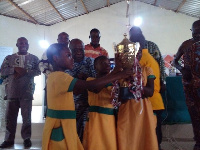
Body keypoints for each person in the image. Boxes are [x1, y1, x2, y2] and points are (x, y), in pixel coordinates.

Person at [42, 43, 133, 150]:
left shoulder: (56, 76)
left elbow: (81, 89)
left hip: (65, 124)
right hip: (60, 125)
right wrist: (119, 75)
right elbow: (92, 85)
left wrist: (117, 71)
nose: (72, 59)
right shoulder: (60, 77)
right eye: (68, 55)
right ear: (56, 58)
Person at [0, 37, 40, 148]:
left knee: (26, 117)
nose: (23, 44)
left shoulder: (34, 58)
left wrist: (26, 71)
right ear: (17, 45)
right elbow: (2, 71)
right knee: (10, 117)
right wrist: (15, 69)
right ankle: (8, 140)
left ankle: (27, 139)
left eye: (25, 43)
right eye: (21, 43)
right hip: (12, 92)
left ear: (28, 45)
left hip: (27, 92)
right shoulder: (9, 58)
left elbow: (38, 71)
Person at [129, 26, 165, 150]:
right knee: (154, 135)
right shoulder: (148, 58)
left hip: (149, 102)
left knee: (151, 136)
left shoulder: (141, 60)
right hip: (154, 101)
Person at [117, 49, 158, 150]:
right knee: (126, 137)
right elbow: (118, 95)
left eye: (139, 52)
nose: (137, 54)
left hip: (143, 110)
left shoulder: (146, 70)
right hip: (126, 109)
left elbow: (150, 92)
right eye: (134, 51)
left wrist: (134, 85)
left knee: (144, 137)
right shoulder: (120, 72)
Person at [174, 20, 200, 150]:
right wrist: (182, 69)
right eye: (196, 33)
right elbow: (174, 61)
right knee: (195, 114)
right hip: (190, 86)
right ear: (191, 32)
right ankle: (198, 142)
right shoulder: (186, 44)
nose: (198, 36)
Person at [83, 56, 117, 150]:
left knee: (109, 143)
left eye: (108, 63)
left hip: (109, 118)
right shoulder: (90, 80)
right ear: (95, 67)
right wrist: (115, 74)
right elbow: (96, 89)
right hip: (95, 118)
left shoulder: (114, 82)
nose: (107, 65)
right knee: (95, 143)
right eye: (103, 63)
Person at [66, 39, 96, 142]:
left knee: (86, 132)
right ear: (70, 50)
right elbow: (72, 87)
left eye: (80, 49)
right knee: (73, 133)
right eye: (75, 50)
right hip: (72, 105)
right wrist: (85, 81)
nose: (78, 52)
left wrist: (85, 78)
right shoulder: (67, 64)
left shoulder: (91, 62)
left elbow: (96, 81)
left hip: (90, 103)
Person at [39, 32, 70, 118]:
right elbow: (41, 65)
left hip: (68, 84)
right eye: (61, 38)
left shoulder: (70, 51)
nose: (63, 41)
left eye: (66, 39)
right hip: (53, 83)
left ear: (69, 41)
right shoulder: (50, 50)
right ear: (57, 40)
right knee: (52, 108)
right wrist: (52, 75)